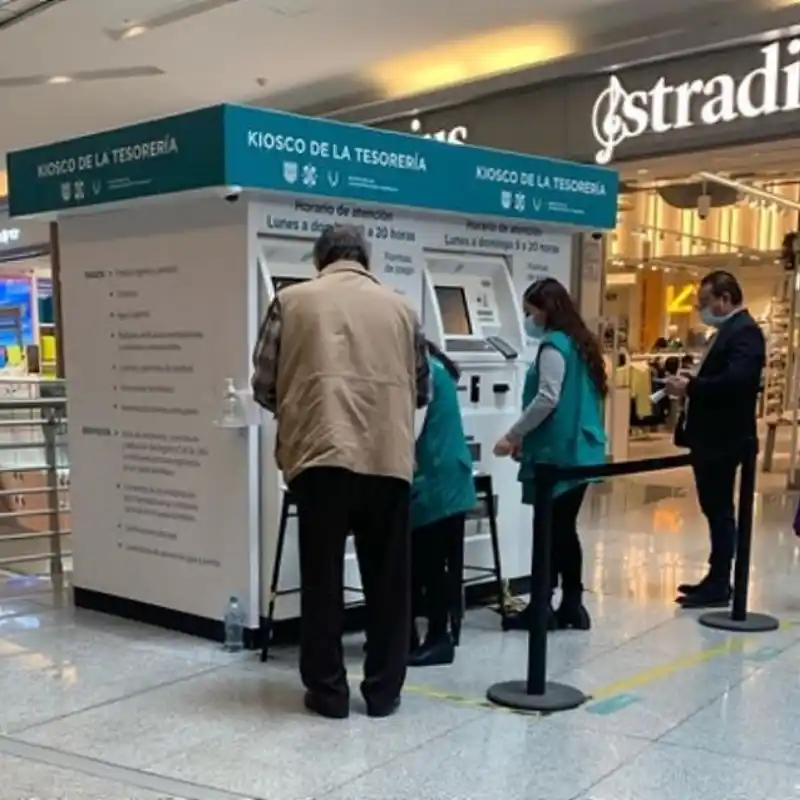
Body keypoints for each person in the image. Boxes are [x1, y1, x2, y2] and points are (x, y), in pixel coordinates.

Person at [251, 225, 430, 720]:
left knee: (322, 578)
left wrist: (302, 405)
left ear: (320, 260)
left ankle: (329, 694)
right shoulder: (401, 308)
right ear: (366, 260)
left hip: (320, 456)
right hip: (387, 457)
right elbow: (423, 387)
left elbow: (263, 383)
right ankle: (383, 692)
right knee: (389, 581)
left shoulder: (292, 301)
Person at [493, 278, 607, 631]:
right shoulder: (580, 344)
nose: (528, 320)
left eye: (530, 312)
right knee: (564, 532)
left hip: (558, 455)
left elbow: (547, 398)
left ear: (546, 310)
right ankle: (572, 605)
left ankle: (541, 607)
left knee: (549, 533)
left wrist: (513, 436)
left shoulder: (553, 346)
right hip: (580, 451)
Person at [665, 270, 765, 609]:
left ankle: (721, 582)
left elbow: (739, 382)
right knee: (714, 509)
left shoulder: (745, 333)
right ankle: (716, 576)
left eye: (705, 302)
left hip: (725, 438)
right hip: (712, 437)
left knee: (720, 511)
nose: (700, 309)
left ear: (725, 299)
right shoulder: (726, 332)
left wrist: (692, 387)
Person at [408, 339, 477, 668]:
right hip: (448, 476)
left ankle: (438, 639)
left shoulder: (423, 375)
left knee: (430, 565)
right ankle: (424, 636)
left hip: (435, 481)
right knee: (432, 564)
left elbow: (410, 431)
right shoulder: (436, 368)